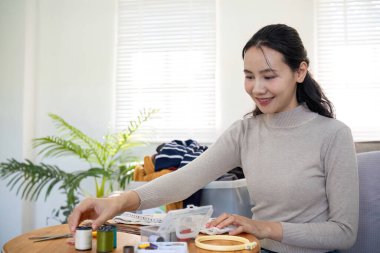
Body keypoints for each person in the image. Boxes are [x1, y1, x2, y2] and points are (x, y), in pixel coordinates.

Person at [68, 24, 358, 253]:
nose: (257, 89)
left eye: (269, 76)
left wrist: (262, 227)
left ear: (300, 71)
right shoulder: (245, 132)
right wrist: (118, 202)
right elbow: (185, 180)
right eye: (249, 76)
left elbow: (344, 232)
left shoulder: (333, 135)